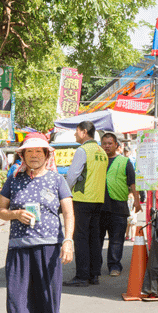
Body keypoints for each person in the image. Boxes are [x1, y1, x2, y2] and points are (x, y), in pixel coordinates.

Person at [0, 132, 75, 313]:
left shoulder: (57, 180)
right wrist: (15, 214)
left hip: (49, 247)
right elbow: (0, 210)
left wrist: (68, 240)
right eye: (29, 152)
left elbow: (69, 213)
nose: (34, 156)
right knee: (16, 296)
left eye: (39, 151)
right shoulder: (14, 179)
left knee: (47, 295)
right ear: (23, 155)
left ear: (46, 154)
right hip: (19, 247)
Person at [64, 121, 108, 287]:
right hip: (98, 199)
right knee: (94, 238)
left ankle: (82, 276)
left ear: (83, 132)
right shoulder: (101, 152)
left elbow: (72, 175)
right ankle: (94, 274)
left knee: (81, 238)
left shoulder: (83, 150)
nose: (75, 135)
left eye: (76, 132)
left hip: (82, 199)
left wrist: (65, 193)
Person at [99, 132, 141, 277]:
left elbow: (132, 183)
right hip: (98, 207)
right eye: (104, 143)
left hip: (118, 207)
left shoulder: (124, 162)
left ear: (116, 145)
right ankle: (95, 267)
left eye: (110, 143)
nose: (107, 146)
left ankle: (114, 266)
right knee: (97, 240)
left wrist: (137, 200)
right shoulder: (98, 161)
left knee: (116, 240)